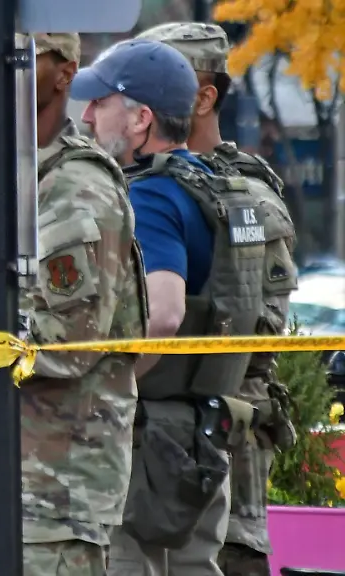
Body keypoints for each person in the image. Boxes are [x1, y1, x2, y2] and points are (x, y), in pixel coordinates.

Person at [73, 39, 267, 576]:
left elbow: (163, 314)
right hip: (202, 430)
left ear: (140, 119)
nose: (88, 115)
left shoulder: (152, 195)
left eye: (101, 103)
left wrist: (105, 385)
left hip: (149, 443)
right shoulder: (208, 185)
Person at [137, 22, 299, 576]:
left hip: (220, 428)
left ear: (205, 96)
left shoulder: (243, 193)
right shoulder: (145, 179)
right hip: (159, 439)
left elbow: (260, 329)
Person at [15, 33, 149, 576]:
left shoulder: (76, 185)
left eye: (22, 59)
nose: (1, 69)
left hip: (57, 482)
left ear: (63, 75)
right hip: (13, 472)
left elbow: (70, 342)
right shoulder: (10, 171)